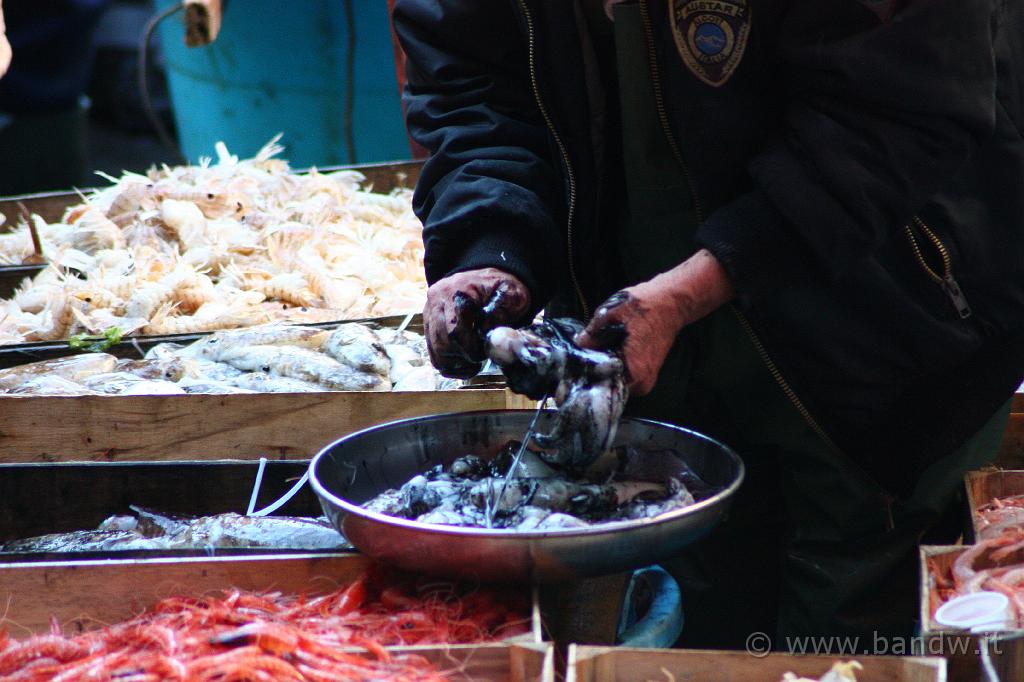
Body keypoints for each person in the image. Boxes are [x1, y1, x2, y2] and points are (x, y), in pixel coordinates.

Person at [392, 0, 1024, 648]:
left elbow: (903, 112)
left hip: (889, 319)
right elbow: (474, 93)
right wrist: (490, 248)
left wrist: (691, 290)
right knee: (705, 631)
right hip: (666, 357)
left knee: (852, 638)